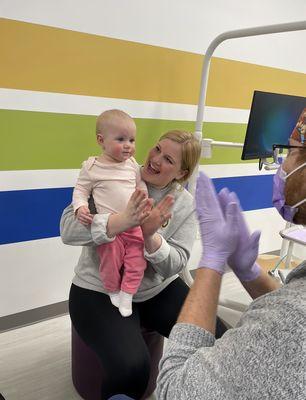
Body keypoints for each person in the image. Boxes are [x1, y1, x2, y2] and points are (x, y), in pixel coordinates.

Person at [61, 129, 228, 399]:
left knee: (221, 340)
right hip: (98, 290)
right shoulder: (111, 171)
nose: (155, 159)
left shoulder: (184, 204)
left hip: (156, 290)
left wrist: (151, 237)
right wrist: (120, 222)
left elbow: (176, 264)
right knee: (132, 368)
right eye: (157, 149)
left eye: (169, 160)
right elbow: (68, 230)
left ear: (181, 174)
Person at [157, 145, 306, 399]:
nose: (283, 163)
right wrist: (248, 271)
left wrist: (211, 259)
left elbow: (174, 389)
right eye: (157, 149)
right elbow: (288, 301)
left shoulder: (183, 202)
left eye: (291, 150)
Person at [72, 109, 148, 317]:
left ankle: (127, 293)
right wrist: (80, 207)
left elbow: (140, 185)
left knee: (137, 260)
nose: (128, 145)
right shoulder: (91, 167)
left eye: (132, 140)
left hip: (133, 226)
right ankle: (112, 288)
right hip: (109, 228)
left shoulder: (132, 165)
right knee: (110, 261)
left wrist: (144, 198)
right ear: (101, 140)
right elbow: (80, 190)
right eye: (121, 139)